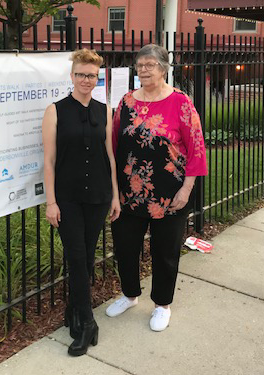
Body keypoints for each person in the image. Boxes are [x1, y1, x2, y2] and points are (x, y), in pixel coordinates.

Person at [106, 44, 208, 332]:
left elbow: (196, 148)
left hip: (169, 195)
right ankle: (129, 295)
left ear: (164, 68)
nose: (144, 70)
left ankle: (163, 305)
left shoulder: (181, 102)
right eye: (140, 65)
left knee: (165, 251)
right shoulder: (126, 102)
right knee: (125, 248)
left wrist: (186, 190)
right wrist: (113, 190)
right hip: (129, 193)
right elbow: (114, 145)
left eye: (150, 64)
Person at [41, 49, 121, 356]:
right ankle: (88, 323)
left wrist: (115, 195)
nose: (86, 80)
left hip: (98, 195)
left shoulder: (105, 110)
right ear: (72, 76)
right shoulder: (56, 110)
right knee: (76, 257)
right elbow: (48, 161)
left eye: (91, 75)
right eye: (81, 74)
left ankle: (73, 313)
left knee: (86, 258)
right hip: (69, 198)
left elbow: (110, 156)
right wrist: (51, 202)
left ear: (97, 77)